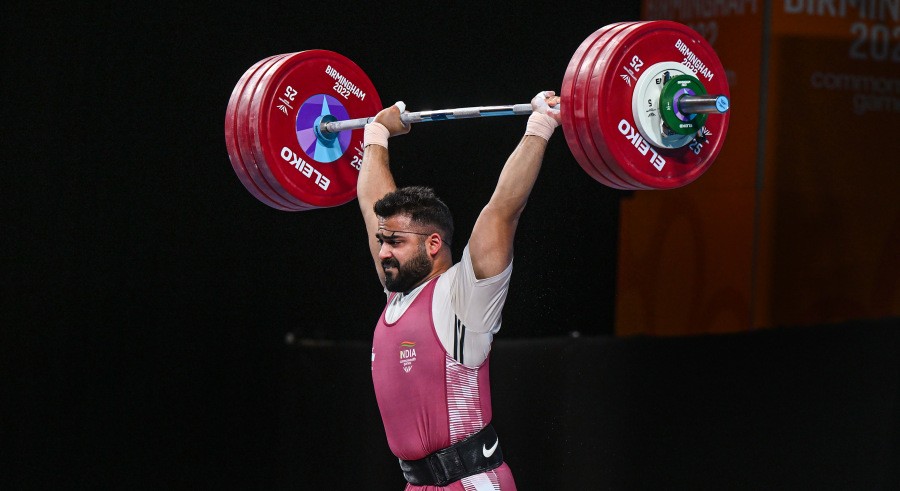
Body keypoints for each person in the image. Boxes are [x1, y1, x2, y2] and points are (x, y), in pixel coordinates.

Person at [358, 91, 561, 490]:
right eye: (382, 241)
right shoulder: (397, 293)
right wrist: (377, 134)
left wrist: (541, 125)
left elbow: (503, 208)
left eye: (394, 242)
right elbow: (372, 205)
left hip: (471, 483)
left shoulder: (464, 296)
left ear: (433, 244)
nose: (382, 252)